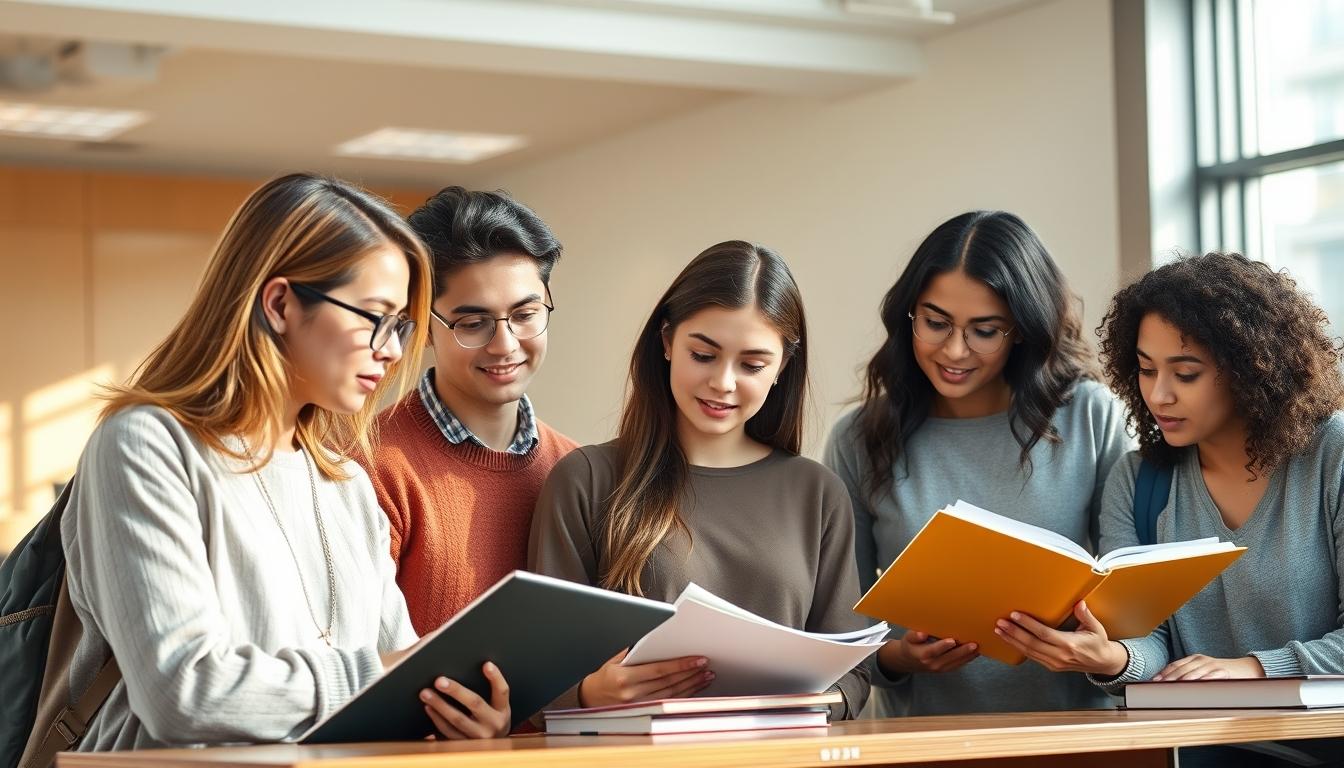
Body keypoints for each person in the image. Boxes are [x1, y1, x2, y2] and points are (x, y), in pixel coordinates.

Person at [62, 173, 511, 751]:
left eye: (401, 325)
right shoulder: (147, 445)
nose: (394, 350)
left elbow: (407, 675)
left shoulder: (347, 484)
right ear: (279, 304)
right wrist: (380, 677)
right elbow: (184, 693)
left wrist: (454, 714)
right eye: (375, 317)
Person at [995, 252, 1344, 767]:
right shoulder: (1139, 481)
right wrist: (1113, 658)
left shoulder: (1333, 456)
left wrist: (1252, 669)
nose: (1159, 395)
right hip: (1202, 756)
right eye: (1145, 369)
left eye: (1185, 373)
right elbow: (1149, 637)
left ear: (1251, 370)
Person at [529, 241, 870, 720]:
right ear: (667, 341)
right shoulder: (587, 480)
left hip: (778, 751)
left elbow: (853, 673)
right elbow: (539, 675)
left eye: (752, 365)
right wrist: (588, 694)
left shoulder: (817, 493)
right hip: (636, 751)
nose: (723, 382)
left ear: (782, 367)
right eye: (704, 355)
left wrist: (805, 707)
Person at [824, 210, 1130, 716]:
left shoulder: (1091, 416)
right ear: (909, 316)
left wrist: (1103, 650)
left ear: (1022, 330)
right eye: (935, 323)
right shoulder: (858, 438)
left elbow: (1132, 604)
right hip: (920, 739)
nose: (954, 350)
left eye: (984, 331)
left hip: (1074, 731)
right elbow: (837, 633)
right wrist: (898, 658)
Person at [359, 187, 577, 635]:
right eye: (473, 324)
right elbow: (361, 653)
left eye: (525, 315)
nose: (505, 345)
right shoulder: (370, 468)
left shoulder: (576, 471)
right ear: (421, 325)